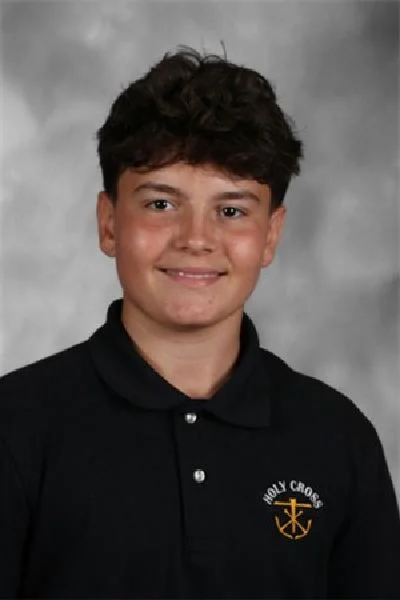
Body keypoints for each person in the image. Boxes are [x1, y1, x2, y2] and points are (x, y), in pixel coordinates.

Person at [0, 45, 399, 600]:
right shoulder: (16, 425)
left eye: (231, 211)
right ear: (109, 223)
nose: (196, 239)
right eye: (161, 205)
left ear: (271, 235)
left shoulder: (338, 438)